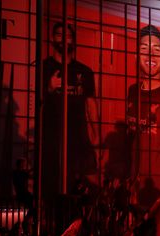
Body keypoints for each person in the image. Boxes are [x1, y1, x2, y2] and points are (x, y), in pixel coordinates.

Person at [42, 22, 100, 196]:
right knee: (53, 186)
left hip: (79, 138)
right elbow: (34, 100)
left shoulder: (85, 72)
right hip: (52, 138)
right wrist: (50, 88)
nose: (64, 39)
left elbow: (91, 104)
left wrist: (97, 135)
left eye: (68, 36)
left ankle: (92, 219)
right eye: (60, 35)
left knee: (91, 184)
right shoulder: (43, 68)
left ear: (74, 41)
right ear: (52, 39)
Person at [127, 25, 160, 194]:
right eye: (144, 49)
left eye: (156, 49)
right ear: (137, 57)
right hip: (135, 181)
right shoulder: (133, 91)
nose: (150, 54)